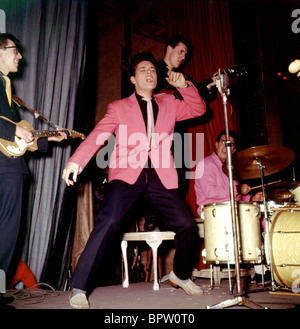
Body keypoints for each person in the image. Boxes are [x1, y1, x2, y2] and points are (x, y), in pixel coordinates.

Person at [62, 52, 207, 309]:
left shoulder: (170, 102)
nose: (149, 73)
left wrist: (184, 86)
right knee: (109, 220)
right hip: (128, 174)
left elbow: (199, 108)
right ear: (132, 78)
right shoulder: (119, 107)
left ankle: (180, 275)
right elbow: (99, 134)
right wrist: (77, 160)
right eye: (142, 69)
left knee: (186, 226)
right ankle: (80, 286)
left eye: (152, 69)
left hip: (161, 175)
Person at [0, 33, 67, 304]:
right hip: (6, 170)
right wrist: (14, 127)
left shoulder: (6, 87)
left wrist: (48, 138)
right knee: (7, 230)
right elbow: (11, 131)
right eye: (14, 50)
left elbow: (16, 141)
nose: (20, 56)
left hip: (7, 165)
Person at [194, 130, 264, 216]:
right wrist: (237, 189)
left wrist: (251, 198)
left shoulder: (231, 168)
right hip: (213, 214)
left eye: (230, 144)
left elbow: (235, 198)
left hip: (231, 211)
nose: (225, 146)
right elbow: (210, 192)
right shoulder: (205, 164)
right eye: (223, 142)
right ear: (216, 145)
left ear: (233, 150)